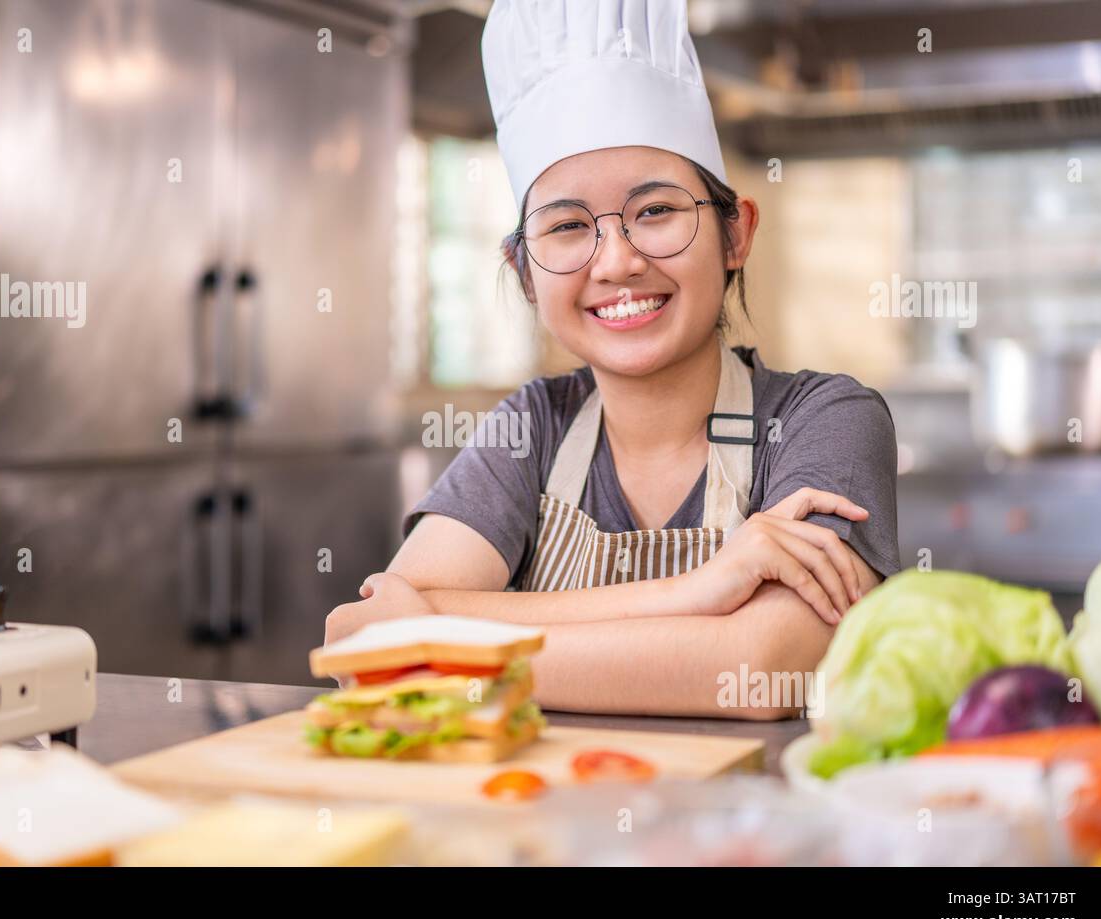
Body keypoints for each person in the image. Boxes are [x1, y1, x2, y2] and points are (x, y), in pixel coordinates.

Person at [325, 0, 900, 718]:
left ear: (735, 235)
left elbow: (760, 668)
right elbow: (366, 639)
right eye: (568, 226)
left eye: (655, 211)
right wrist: (692, 592)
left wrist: (435, 637)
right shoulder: (533, 427)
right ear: (525, 272)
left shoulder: (827, 419)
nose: (617, 261)